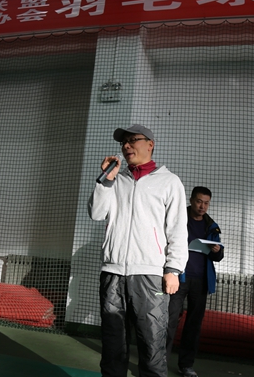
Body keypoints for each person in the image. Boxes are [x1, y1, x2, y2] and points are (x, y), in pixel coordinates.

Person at [88, 124, 188, 377]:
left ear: (150, 144)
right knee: (112, 345)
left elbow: (177, 229)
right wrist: (106, 180)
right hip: (113, 273)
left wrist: (174, 269)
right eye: (124, 142)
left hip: (150, 275)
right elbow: (96, 213)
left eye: (133, 140)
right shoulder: (115, 180)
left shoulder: (169, 182)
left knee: (151, 344)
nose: (126, 146)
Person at [166, 186, 224, 377]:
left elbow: (218, 257)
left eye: (206, 203)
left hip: (200, 282)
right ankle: (159, 363)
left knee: (193, 325)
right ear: (191, 200)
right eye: (199, 201)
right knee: (169, 321)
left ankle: (186, 366)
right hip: (177, 278)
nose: (202, 206)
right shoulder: (178, 219)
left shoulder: (211, 226)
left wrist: (217, 251)